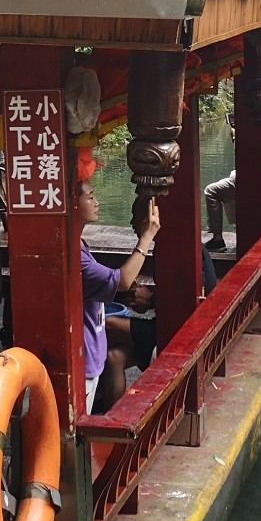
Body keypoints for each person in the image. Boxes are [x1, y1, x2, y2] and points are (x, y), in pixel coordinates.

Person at [77, 155, 158, 412]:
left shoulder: (79, 245)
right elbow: (121, 281)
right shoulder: (75, 255)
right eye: (90, 197)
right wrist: (146, 238)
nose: (97, 202)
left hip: (92, 354)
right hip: (85, 358)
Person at [203, 113, 261, 250]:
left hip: (255, 182)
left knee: (211, 191)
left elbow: (246, 158)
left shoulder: (254, 122)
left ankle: (217, 239)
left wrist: (236, 136)